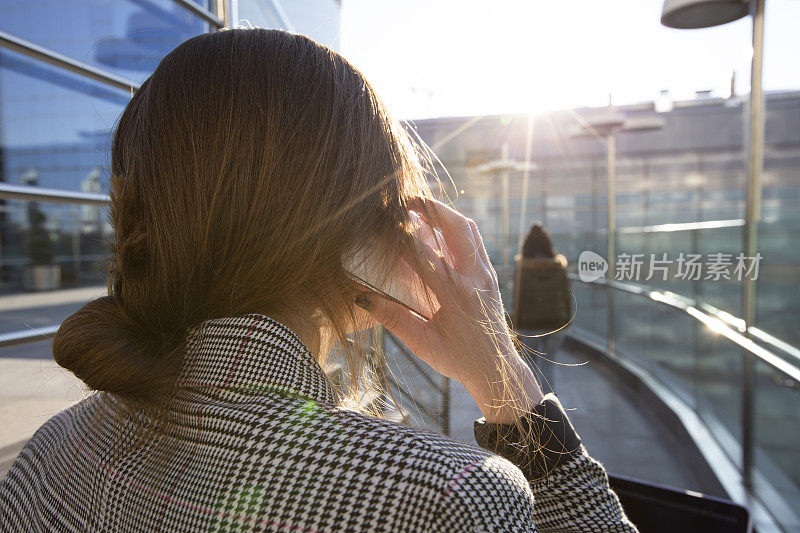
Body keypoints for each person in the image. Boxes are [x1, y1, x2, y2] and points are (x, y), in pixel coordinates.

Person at [0, 29, 636, 532]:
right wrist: (508, 384)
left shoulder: (52, 450)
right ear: (351, 228)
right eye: (398, 204)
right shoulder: (446, 497)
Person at [512, 223, 572, 388]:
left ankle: (534, 407)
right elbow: (567, 295)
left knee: (529, 366)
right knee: (548, 366)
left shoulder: (522, 268)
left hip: (530, 324)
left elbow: (518, 298)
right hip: (557, 322)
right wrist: (567, 321)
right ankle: (551, 406)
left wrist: (516, 325)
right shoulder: (559, 267)